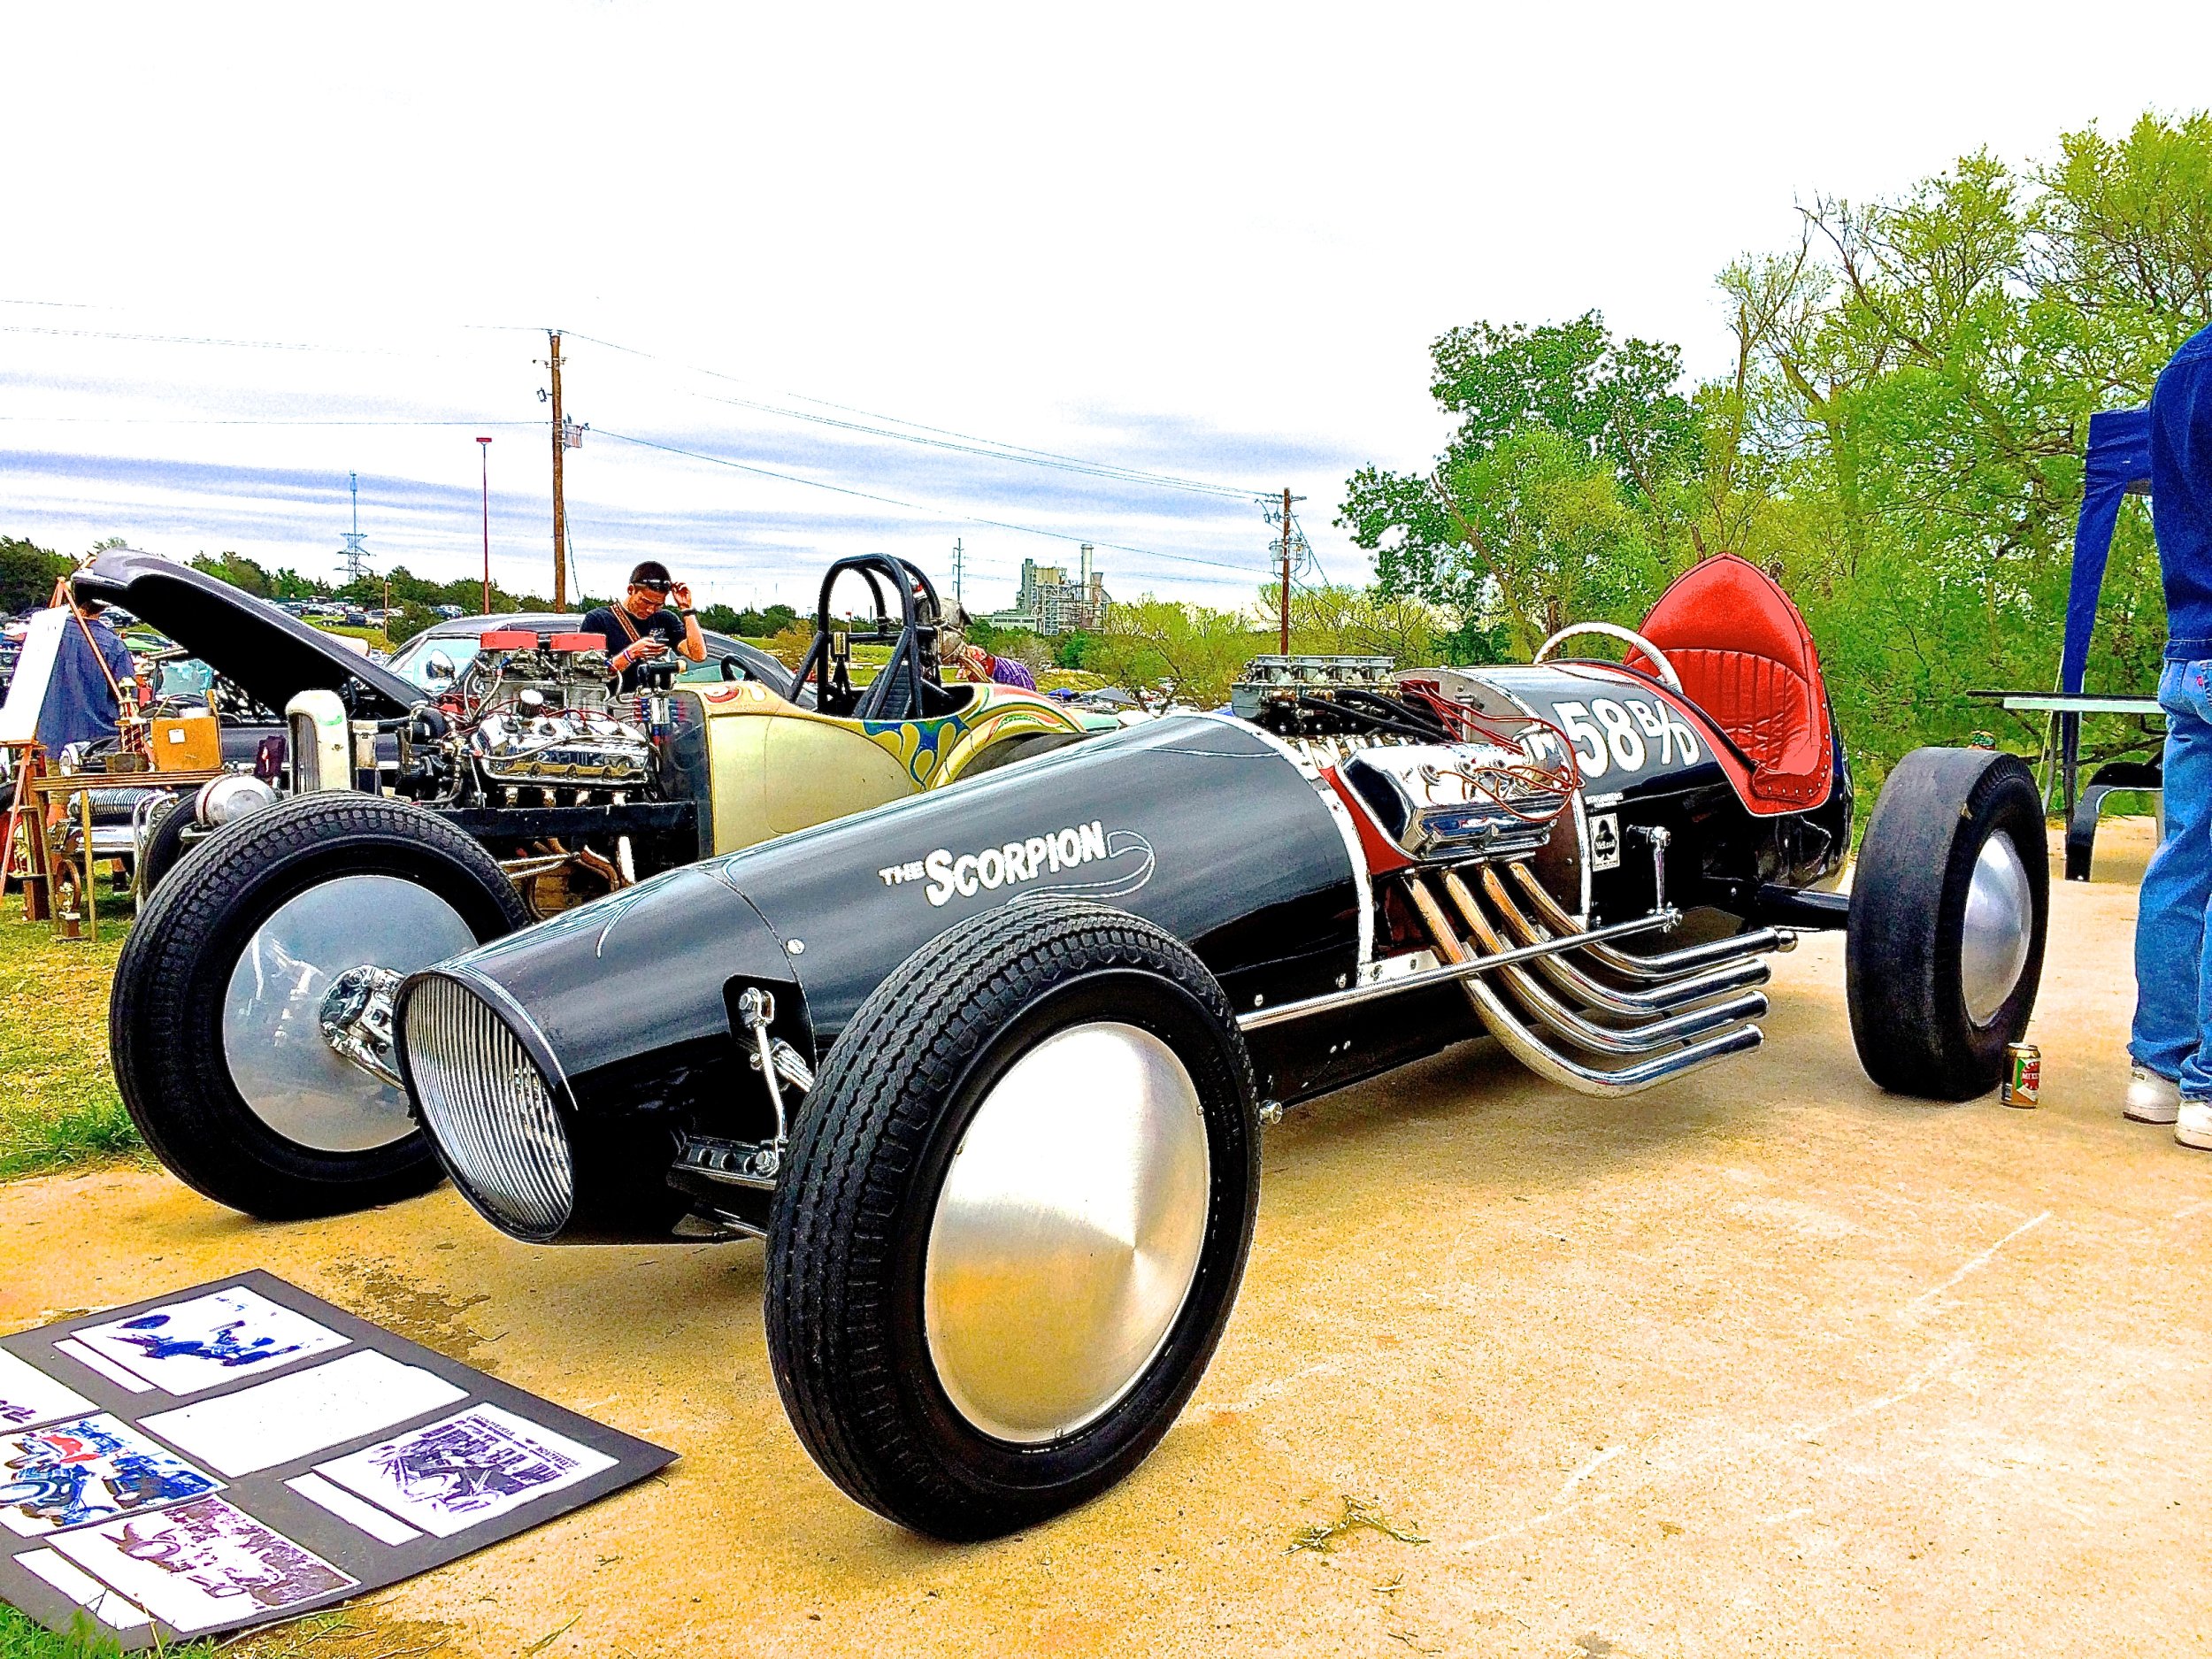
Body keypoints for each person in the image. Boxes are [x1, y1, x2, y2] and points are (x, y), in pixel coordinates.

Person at [2129, 320, 2212, 1150]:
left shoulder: (2181, 370)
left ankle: (2156, 1073)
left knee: (2182, 861)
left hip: (2190, 651)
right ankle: (2210, 1090)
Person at [580, 561, 706, 692]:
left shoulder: (665, 619)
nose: (650, 610)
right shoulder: (599, 619)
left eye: (658, 605)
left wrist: (687, 610)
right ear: (631, 590)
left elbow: (698, 655)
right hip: (614, 705)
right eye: (645, 602)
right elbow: (588, 676)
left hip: (656, 704)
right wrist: (630, 654)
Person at [35, 598, 137, 753]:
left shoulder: (49, 634)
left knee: (56, 776)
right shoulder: (113, 645)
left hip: (54, 737)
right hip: (100, 742)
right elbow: (128, 699)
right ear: (104, 606)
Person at [939, 608, 1037, 692]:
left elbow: (1031, 701)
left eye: (972, 674)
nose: (971, 679)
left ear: (984, 666)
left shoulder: (1014, 675)